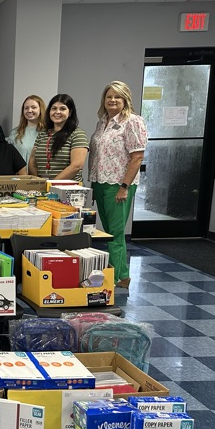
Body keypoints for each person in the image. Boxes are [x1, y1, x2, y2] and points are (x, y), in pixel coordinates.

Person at [89, 81, 148, 289]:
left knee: (115, 233)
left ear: (125, 100)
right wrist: (94, 184)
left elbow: (137, 157)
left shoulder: (133, 121)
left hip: (118, 184)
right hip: (100, 182)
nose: (112, 100)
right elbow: (96, 155)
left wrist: (124, 186)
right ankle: (122, 274)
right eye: (109, 96)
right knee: (108, 232)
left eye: (117, 97)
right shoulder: (102, 122)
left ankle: (116, 277)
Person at [29, 94, 89, 183]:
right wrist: (39, 183)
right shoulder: (43, 134)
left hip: (68, 190)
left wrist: (51, 184)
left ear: (70, 113)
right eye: (54, 108)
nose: (57, 112)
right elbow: (32, 162)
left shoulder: (77, 134)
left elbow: (77, 165)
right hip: (43, 188)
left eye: (62, 109)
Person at [8, 95, 46, 164]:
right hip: (20, 174)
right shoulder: (15, 133)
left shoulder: (47, 132)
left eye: (33, 107)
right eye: (26, 108)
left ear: (41, 109)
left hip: (40, 173)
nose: (29, 110)